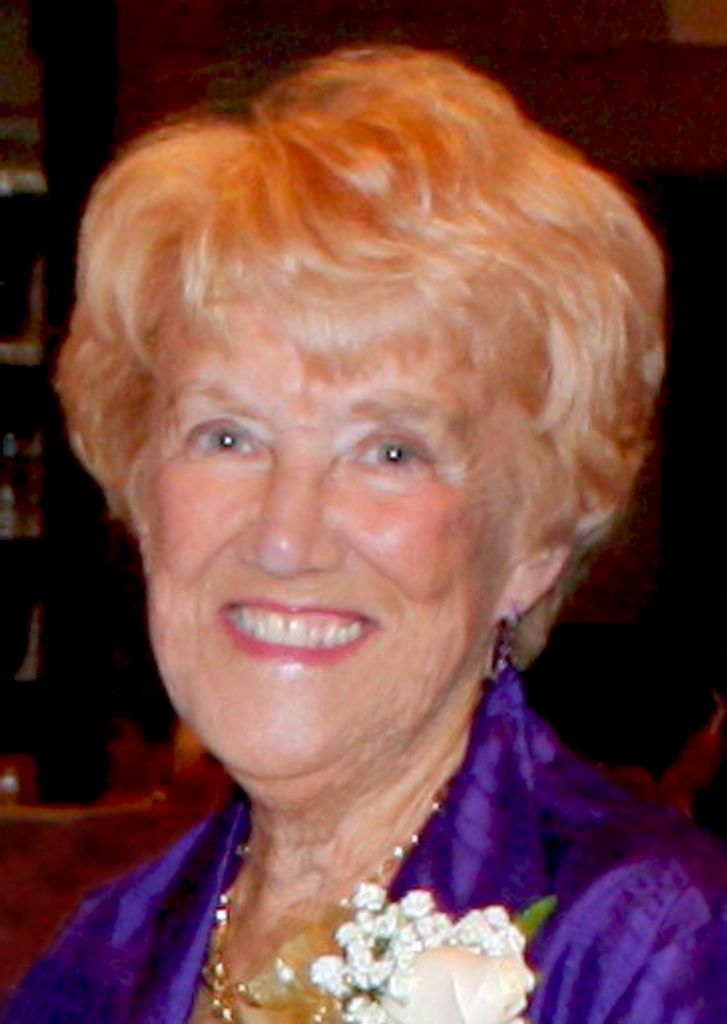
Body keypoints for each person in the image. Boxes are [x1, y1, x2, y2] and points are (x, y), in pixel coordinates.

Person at [6, 45, 727, 1024]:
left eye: (389, 451)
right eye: (228, 435)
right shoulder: (103, 958)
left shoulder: (653, 948)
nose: (284, 535)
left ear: (534, 543)